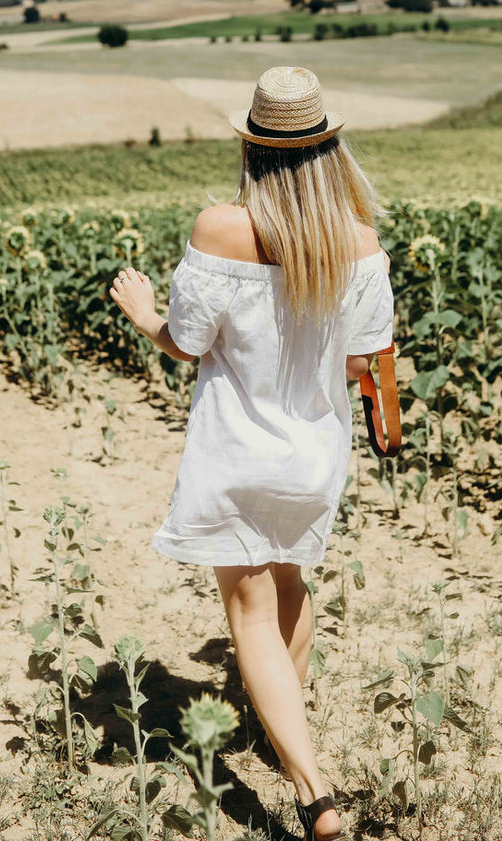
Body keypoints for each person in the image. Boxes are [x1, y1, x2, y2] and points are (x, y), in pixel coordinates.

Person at [109, 66, 394, 841]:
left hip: (235, 449)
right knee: (290, 583)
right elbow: (359, 364)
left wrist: (142, 312)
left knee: (249, 611)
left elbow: (185, 343)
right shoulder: (359, 243)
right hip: (314, 453)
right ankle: (281, 733)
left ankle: (312, 794)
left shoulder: (218, 228)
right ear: (327, 148)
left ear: (252, 147)